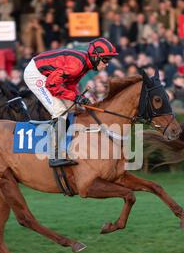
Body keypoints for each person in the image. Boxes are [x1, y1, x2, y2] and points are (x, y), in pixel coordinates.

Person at [23, 37, 119, 167]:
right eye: (106, 59)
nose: (107, 64)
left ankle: (67, 146)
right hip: (35, 74)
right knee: (60, 111)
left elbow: (70, 84)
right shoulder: (77, 65)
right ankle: (55, 155)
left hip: (46, 74)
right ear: (96, 56)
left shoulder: (85, 64)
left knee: (73, 108)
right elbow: (51, 85)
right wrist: (75, 97)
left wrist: (78, 97)